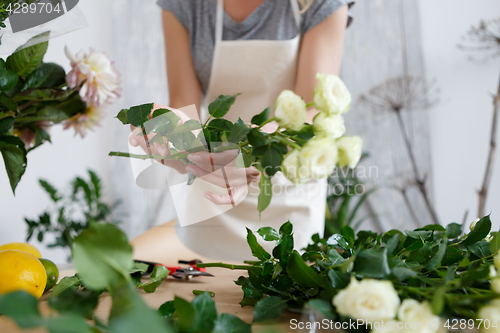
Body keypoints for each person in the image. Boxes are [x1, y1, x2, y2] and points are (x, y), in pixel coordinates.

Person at [130, 0, 354, 263]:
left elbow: (311, 111)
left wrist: (247, 151)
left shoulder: (321, 4)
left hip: (288, 191)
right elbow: (184, 108)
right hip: (214, 189)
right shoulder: (184, 4)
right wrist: (172, 141)